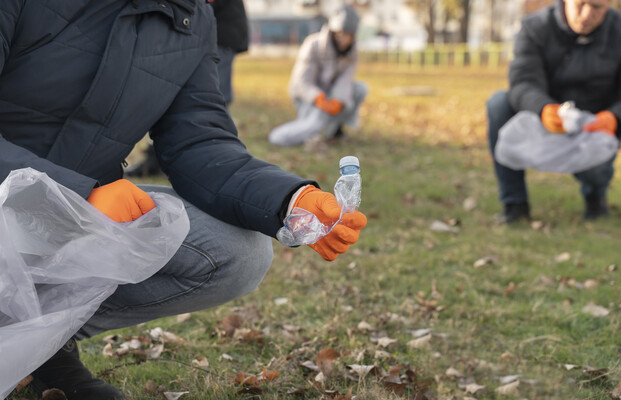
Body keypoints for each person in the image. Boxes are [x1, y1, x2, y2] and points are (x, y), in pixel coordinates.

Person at [0, 1, 367, 399]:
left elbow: (198, 140)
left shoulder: (193, 18)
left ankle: (41, 342)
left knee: (238, 253)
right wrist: (73, 194)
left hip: (81, 209)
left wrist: (289, 199)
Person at [486, 0, 621, 223]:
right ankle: (514, 204)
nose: (586, 14)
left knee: (597, 168)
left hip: (595, 125)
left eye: (597, 7)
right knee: (499, 103)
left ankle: (595, 198)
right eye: (581, 4)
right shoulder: (535, 27)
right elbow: (523, 81)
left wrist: (616, 118)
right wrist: (541, 108)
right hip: (546, 116)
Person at [124, 0, 249, 178]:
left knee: (211, 103)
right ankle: (162, 159)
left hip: (218, 35)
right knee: (187, 100)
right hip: (209, 32)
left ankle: (221, 165)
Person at [268, 5, 369, 146]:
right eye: (340, 33)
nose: (343, 39)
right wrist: (317, 96)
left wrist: (338, 100)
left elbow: (345, 80)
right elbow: (301, 81)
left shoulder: (352, 52)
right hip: (309, 96)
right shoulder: (313, 44)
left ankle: (335, 130)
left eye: (348, 35)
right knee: (313, 125)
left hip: (331, 94)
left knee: (360, 89)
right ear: (333, 31)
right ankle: (281, 136)